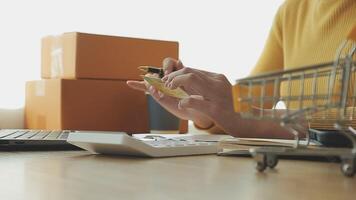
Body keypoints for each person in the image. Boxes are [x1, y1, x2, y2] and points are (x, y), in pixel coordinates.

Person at [127, 0, 356, 138]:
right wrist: (203, 105)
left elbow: (252, 115)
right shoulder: (294, 10)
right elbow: (249, 102)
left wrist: (256, 120)